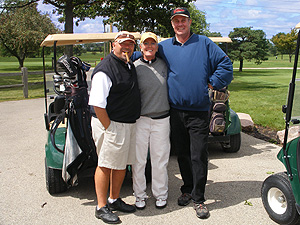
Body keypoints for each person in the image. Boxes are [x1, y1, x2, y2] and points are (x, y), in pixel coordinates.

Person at [158, 8, 233, 219]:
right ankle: (187, 189)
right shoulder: (164, 46)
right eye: (176, 21)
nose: (179, 24)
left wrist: (213, 83)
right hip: (175, 110)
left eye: (183, 20)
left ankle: (199, 199)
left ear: (189, 22)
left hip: (199, 110)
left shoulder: (204, 42)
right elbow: (146, 53)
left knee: (198, 154)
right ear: (172, 24)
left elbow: (225, 64)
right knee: (182, 153)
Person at [89, 31, 141, 224]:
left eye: (130, 44)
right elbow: (97, 104)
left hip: (126, 123)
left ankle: (114, 199)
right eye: (123, 44)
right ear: (114, 45)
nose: (127, 47)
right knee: (105, 164)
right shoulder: (105, 69)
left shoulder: (127, 64)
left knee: (121, 164)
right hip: (110, 123)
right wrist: (109, 127)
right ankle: (101, 207)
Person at [132, 32, 170, 210]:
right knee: (139, 161)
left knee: (159, 160)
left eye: (152, 43)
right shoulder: (134, 67)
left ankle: (160, 194)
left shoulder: (165, 64)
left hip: (162, 119)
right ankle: (139, 195)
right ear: (140, 47)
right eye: (145, 44)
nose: (149, 46)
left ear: (157, 46)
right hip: (141, 120)